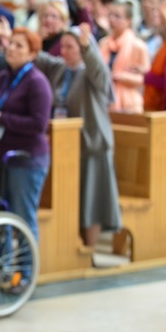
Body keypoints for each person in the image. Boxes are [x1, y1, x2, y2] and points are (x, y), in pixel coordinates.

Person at [35, 23, 122, 247]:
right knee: (70, 195)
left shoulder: (91, 72)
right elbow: (39, 57)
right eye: (62, 47)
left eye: (70, 47)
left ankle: (90, 249)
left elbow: (100, 71)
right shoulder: (61, 69)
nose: (64, 52)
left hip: (92, 144)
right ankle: (68, 246)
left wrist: (86, 47)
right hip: (65, 145)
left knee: (90, 199)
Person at [0, 28, 52, 243]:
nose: (11, 48)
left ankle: (27, 273)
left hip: (27, 159)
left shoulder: (37, 82)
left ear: (32, 54)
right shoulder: (2, 78)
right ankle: (5, 269)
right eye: (11, 43)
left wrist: (0, 118)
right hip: (2, 155)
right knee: (1, 216)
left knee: (24, 217)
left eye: (19, 45)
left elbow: (39, 124)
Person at [99, 1, 150, 113]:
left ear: (128, 21)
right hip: (104, 99)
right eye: (110, 15)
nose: (112, 19)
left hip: (129, 103)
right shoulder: (103, 43)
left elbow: (144, 78)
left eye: (117, 16)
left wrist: (120, 76)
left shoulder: (138, 46)